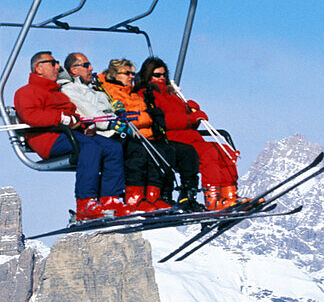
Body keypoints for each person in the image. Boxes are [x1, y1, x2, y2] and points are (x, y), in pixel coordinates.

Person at [14, 51, 128, 220]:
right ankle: (85, 202)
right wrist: (62, 119)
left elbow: (72, 114)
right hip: (48, 138)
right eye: (53, 63)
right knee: (90, 147)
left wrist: (84, 124)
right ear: (39, 68)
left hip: (69, 135)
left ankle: (110, 199)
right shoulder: (27, 92)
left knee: (112, 147)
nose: (58, 67)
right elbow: (31, 116)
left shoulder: (57, 93)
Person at [136, 57, 241, 210]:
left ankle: (229, 195)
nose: (162, 78)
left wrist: (194, 114)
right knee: (209, 153)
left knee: (225, 151)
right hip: (173, 139)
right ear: (148, 76)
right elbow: (163, 120)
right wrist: (189, 118)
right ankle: (213, 199)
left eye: (164, 75)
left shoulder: (175, 95)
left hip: (191, 137)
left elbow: (190, 123)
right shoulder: (146, 94)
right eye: (157, 75)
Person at [99, 58, 201, 212]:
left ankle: (163, 195)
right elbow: (125, 117)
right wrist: (148, 117)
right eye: (127, 73)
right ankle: (135, 197)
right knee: (142, 152)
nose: (131, 76)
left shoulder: (133, 93)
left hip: (146, 135)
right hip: (128, 136)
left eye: (133, 73)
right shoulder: (109, 92)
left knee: (176, 150)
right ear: (115, 74)